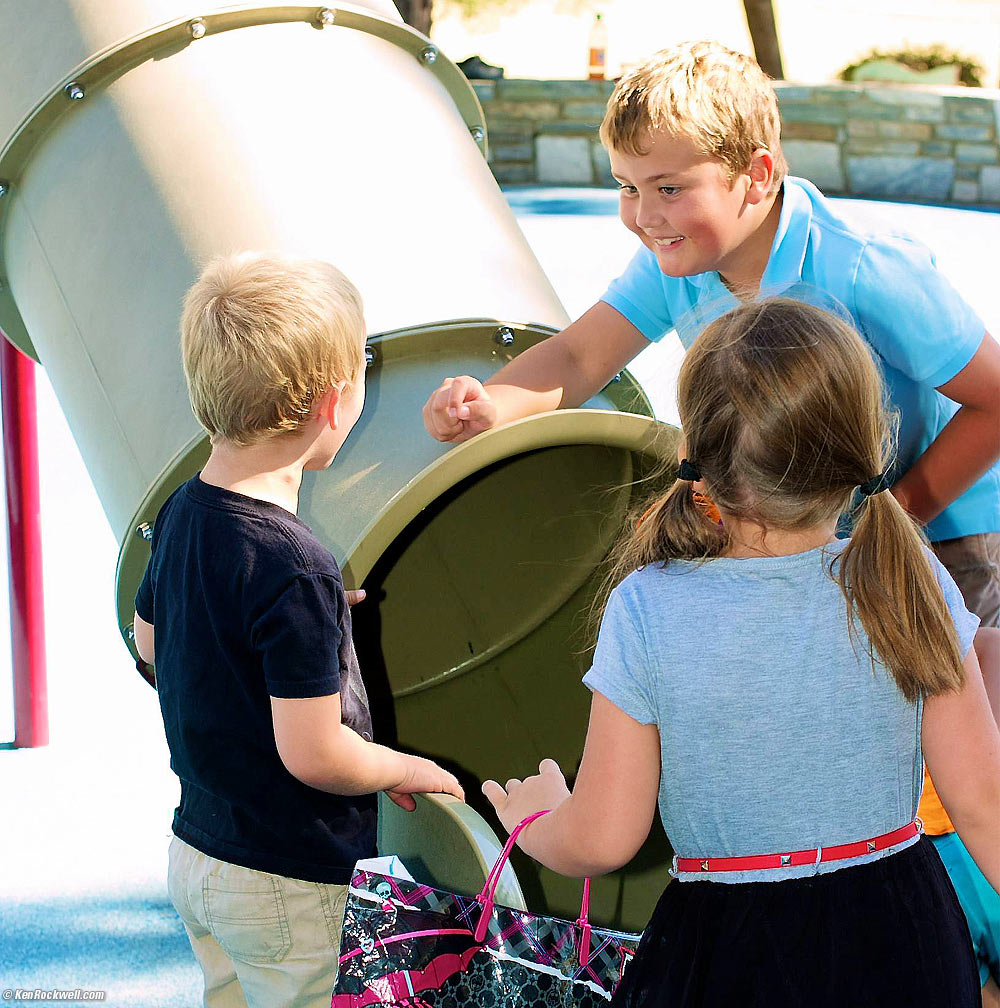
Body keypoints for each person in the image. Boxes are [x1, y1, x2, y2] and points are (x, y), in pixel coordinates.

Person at [482, 298, 1000, 1007]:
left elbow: (603, 840)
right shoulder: (908, 577)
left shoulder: (649, 604)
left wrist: (535, 822)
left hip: (726, 949)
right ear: (860, 446)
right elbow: (983, 804)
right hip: (902, 937)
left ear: (702, 460)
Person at [422, 40, 1000, 630]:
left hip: (945, 528)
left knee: (951, 702)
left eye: (668, 188)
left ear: (755, 176)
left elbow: (996, 399)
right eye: (628, 187)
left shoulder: (864, 268)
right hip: (809, 535)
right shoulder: (676, 260)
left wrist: (889, 522)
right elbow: (577, 356)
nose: (645, 217)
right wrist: (490, 404)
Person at [132, 252, 463, 1008]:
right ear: (334, 402)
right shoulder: (296, 564)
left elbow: (151, 644)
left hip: (200, 854)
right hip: (289, 881)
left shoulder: (186, 510)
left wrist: (275, 630)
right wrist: (405, 770)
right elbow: (316, 754)